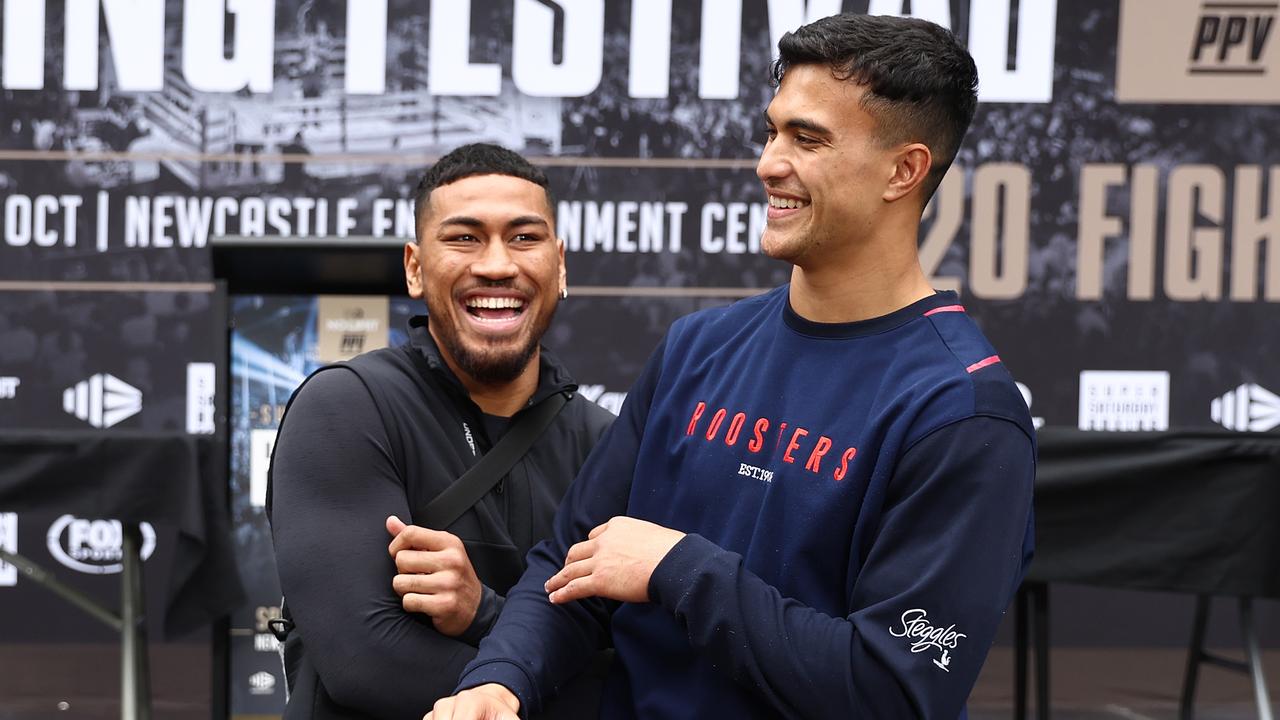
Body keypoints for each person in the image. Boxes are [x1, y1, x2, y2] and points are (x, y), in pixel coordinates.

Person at [428, 13, 1035, 720]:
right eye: (772, 131)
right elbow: (571, 565)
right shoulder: (698, 346)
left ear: (903, 171)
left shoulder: (963, 413)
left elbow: (892, 691)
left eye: (807, 139)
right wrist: (498, 682)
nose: (768, 163)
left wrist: (681, 569)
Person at [268, 144, 615, 719]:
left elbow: (640, 659)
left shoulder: (607, 445)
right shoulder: (348, 407)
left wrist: (483, 612)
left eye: (524, 238)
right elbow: (367, 662)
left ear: (560, 266)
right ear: (414, 267)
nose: (497, 264)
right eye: (464, 238)